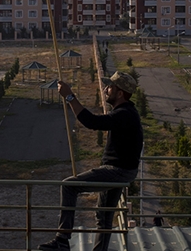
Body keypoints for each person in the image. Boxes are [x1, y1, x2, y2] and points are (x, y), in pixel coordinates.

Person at [38, 71, 144, 251]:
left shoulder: (125, 114)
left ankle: (62, 240)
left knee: (69, 186)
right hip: (122, 170)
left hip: (118, 171)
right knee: (104, 216)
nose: (105, 89)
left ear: (120, 93)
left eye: (110, 87)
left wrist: (70, 97)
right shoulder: (127, 113)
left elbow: (91, 122)